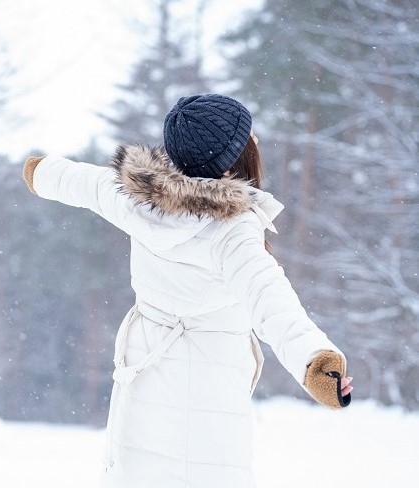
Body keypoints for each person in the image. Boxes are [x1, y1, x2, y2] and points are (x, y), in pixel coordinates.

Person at [21, 94, 352, 488]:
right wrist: (313, 360)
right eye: (249, 137)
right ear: (230, 164)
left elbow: (85, 183)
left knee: (142, 472)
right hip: (209, 392)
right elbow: (269, 296)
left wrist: (41, 173)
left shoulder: (136, 198)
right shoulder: (231, 230)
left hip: (145, 368)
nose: (257, 142)